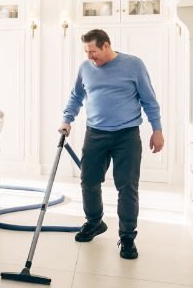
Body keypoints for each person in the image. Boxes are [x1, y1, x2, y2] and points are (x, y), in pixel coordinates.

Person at [59, 29, 164, 260]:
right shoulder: (85, 68)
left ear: (106, 45)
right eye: (87, 52)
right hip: (95, 133)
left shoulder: (134, 65)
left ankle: (127, 237)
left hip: (126, 135)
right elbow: (76, 96)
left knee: (127, 187)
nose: (90, 57)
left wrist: (157, 130)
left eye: (93, 51)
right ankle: (95, 222)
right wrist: (67, 120)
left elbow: (149, 100)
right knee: (88, 181)